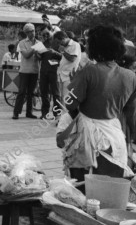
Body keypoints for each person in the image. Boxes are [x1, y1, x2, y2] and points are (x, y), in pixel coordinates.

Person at [62, 25, 136, 184]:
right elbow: (130, 113)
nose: (86, 46)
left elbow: (69, 104)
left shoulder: (89, 71)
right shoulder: (131, 76)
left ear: (96, 47)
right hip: (116, 138)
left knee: (83, 189)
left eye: (88, 43)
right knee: (109, 187)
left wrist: (75, 82)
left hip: (88, 139)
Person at [13, 23, 40, 119]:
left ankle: (29, 112)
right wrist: (35, 48)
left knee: (31, 93)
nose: (32, 33)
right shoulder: (22, 43)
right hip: (24, 71)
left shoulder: (39, 42)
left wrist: (39, 53)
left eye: (33, 31)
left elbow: (40, 57)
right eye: (29, 32)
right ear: (26, 33)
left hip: (35, 71)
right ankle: (16, 112)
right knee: (21, 92)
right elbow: (26, 55)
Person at [37, 30, 62, 119]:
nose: (45, 36)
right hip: (44, 71)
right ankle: (44, 113)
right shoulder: (40, 44)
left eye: (47, 35)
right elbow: (38, 58)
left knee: (56, 94)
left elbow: (63, 57)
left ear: (51, 36)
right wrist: (37, 54)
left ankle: (57, 114)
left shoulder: (57, 43)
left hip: (55, 71)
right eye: (43, 35)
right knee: (44, 92)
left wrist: (53, 52)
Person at [53, 30, 82, 103]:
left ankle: (67, 114)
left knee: (67, 98)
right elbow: (66, 61)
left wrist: (63, 51)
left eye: (59, 42)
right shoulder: (64, 46)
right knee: (61, 98)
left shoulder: (75, 45)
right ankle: (63, 114)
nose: (59, 44)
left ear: (63, 38)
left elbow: (72, 59)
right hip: (61, 75)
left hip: (69, 76)